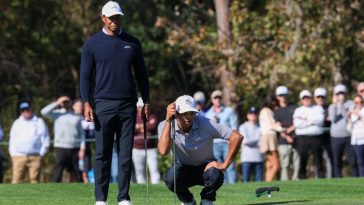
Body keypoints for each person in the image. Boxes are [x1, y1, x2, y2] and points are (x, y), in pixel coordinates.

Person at [80, 1, 150, 204]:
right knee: (102, 154)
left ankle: (123, 198)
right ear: (103, 18)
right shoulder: (92, 44)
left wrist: (146, 100)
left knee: (125, 154)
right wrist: (86, 102)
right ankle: (101, 199)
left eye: (118, 17)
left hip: (128, 105)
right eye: (111, 18)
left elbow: (142, 75)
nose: (115, 22)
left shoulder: (133, 42)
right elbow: (85, 76)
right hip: (102, 104)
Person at [158, 95, 243, 205]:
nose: (189, 116)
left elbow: (236, 137)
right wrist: (168, 121)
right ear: (176, 114)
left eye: (192, 113)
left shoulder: (206, 123)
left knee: (216, 175)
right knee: (171, 178)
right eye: (185, 113)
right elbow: (163, 151)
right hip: (183, 168)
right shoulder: (165, 125)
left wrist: (224, 164)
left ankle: (207, 200)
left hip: (206, 168)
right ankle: (188, 201)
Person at [41, 96, 85, 182]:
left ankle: (79, 188)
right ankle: (55, 189)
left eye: (67, 101)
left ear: (71, 103)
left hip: (75, 147)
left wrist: (82, 148)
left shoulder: (77, 116)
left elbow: (81, 134)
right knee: (59, 168)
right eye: (63, 102)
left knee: (76, 170)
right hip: (61, 146)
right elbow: (43, 112)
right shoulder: (57, 114)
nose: (65, 103)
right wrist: (57, 102)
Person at [9, 101, 50, 183]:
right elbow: (12, 139)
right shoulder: (17, 123)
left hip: (35, 156)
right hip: (18, 156)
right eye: (23, 110)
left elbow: (45, 138)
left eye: (27, 109)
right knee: (16, 180)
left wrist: (42, 153)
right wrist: (12, 154)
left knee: (34, 181)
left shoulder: (39, 121)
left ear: (31, 109)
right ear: (20, 111)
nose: (25, 111)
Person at [205, 90, 238, 184]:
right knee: (218, 166)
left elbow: (234, 127)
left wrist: (233, 141)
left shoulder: (229, 111)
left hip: (227, 143)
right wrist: (212, 122)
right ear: (212, 100)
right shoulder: (208, 114)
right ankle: (222, 186)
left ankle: (233, 186)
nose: (218, 99)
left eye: (219, 97)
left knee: (230, 166)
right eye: (215, 98)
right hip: (215, 143)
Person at [294, 90, 325, 179]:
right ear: (301, 100)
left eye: (308, 98)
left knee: (318, 158)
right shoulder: (298, 110)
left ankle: (320, 176)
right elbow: (298, 124)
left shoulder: (318, 108)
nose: (306, 100)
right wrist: (312, 122)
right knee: (303, 158)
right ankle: (302, 176)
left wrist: (305, 119)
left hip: (316, 137)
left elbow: (320, 121)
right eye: (304, 98)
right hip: (303, 138)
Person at [328, 84, 357, 177]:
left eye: (342, 93)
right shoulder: (332, 106)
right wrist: (335, 105)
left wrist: (340, 105)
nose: (341, 95)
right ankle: (337, 180)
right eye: (338, 93)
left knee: (352, 161)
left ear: (346, 93)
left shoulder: (350, 104)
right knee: (337, 161)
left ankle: (356, 179)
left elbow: (346, 116)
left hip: (348, 136)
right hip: (336, 137)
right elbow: (333, 119)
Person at [132, 97, 160, 184]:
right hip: (137, 149)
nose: (141, 109)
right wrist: (144, 127)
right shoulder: (133, 117)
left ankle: (157, 189)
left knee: (154, 170)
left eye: (143, 107)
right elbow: (132, 128)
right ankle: (142, 190)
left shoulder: (152, 116)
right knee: (139, 172)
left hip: (151, 149)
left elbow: (152, 126)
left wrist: (139, 127)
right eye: (140, 107)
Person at [274, 86, 299, 181]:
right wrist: (287, 136)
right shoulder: (276, 111)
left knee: (296, 163)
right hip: (283, 141)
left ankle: (296, 180)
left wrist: (290, 129)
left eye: (284, 95)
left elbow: (298, 122)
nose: (283, 97)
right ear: (277, 97)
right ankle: (284, 181)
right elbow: (278, 127)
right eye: (281, 95)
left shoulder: (294, 107)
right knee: (285, 164)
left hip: (296, 139)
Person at [259, 95, 281, 182]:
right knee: (276, 165)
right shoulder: (266, 110)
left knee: (270, 165)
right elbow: (272, 125)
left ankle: (267, 182)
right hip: (269, 136)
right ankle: (267, 184)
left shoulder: (265, 111)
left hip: (267, 136)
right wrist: (283, 129)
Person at [73, 99, 96, 183]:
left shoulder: (86, 118)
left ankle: (85, 179)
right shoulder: (71, 118)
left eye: (81, 106)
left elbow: (92, 134)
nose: (80, 107)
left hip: (86, 148)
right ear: (73, 107)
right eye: (78, 105)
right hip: (73, 147)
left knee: (86, 166)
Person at [239, 107, 263, 182]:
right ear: (247, 115)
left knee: (259, 184)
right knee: (246, 183)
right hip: (246, 159)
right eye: (251, 113)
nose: (253, 115)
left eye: (255, 113)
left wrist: (252, 141)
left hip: (259, 158)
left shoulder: (261, 127)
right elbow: (245, 141)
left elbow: (263, 141)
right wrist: (258, 139)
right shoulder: (242, 127)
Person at [314, 87, 333, 178]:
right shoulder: (312, 109)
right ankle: (318, 178)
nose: (320, 99)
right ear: (315, 98)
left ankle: (330, 178)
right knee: (317, 159)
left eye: (322, 97)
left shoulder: (330, 108)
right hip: (316, 137)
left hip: (328, 136)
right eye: (318, 97)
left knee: (329, 158)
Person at [347, 95, 364, 176]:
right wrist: (350, 120)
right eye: (356, 102)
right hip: (356, 141)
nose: (359, 104)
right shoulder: (352, 113)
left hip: (363, 139)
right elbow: (349, 129)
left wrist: (360, 116)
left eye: (361, 102)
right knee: (358, 162)